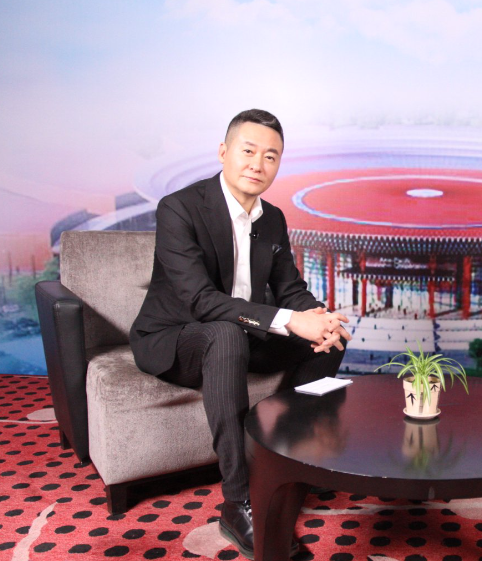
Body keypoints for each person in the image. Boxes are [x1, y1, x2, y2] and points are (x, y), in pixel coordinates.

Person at [130, 109, 351, 559]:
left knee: (328, 339)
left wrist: (319, 317)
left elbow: (290, 289)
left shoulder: (273, 218)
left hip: (241, 331)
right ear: (223, 152)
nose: (258, 164)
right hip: (176, 336)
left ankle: (282, 456)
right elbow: (200, 301)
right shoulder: (179, 208)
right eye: (248, 151)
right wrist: (290, 320)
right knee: (225, 335)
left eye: (271, 156)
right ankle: (238, 500)